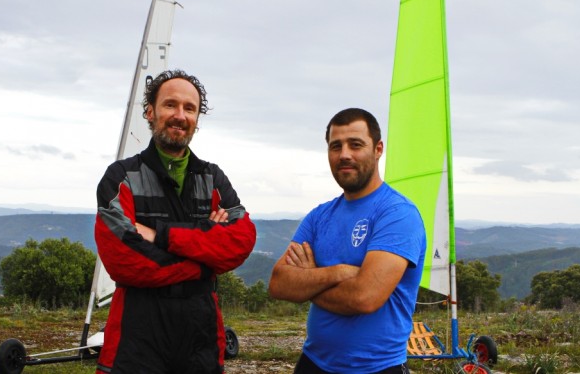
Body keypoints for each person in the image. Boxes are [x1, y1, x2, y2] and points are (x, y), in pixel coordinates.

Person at [94, 69, 256, 374]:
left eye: (189, 108)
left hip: (201, 336)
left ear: (197, 118)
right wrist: (204, 263)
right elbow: (122, 259)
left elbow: (241, 241)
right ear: (150, 112)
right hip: (137, 336)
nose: (180, 115)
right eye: (170, 105)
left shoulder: (213, 177)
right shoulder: (120, 178)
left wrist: (161, 236)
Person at [268, 108, 426, 374]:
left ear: (378, 149)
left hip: (377, 367)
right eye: (335, 146)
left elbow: (364, 298)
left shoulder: (398, 214)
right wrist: (339, 273)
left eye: (356, 145)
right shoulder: (319, 216)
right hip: (313, 362)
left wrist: (309, 281)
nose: (344, 155)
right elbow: (279, 284)